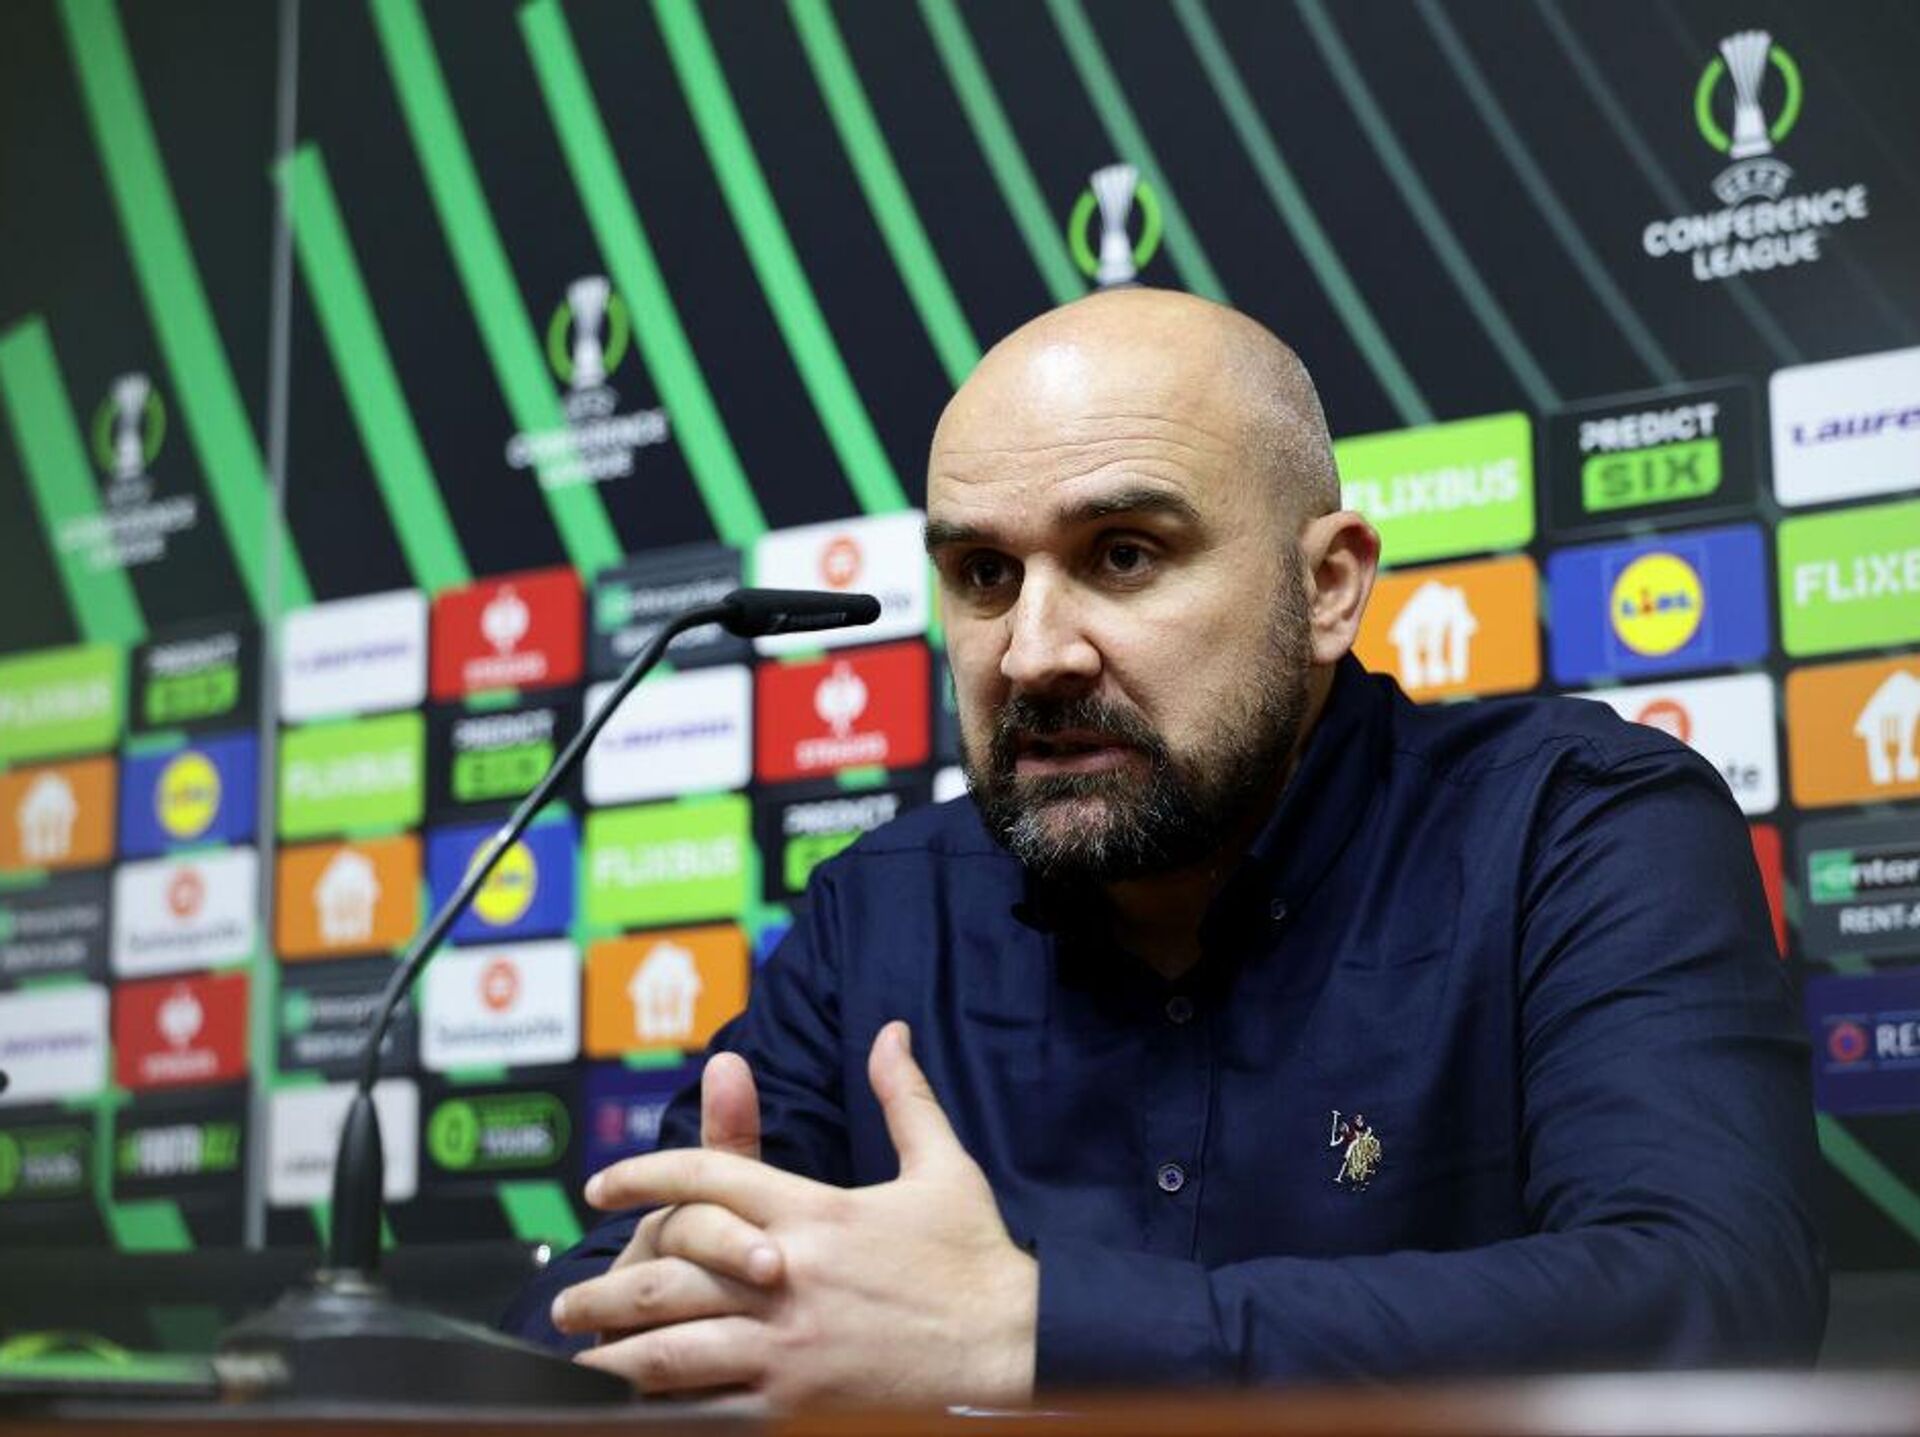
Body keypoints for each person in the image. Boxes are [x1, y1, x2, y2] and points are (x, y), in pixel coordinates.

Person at [504, 288, 1824, 1401]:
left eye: (1125, 555)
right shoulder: (882, 917)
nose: (1033, 652)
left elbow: (1714, 1294)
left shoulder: (1572, 830)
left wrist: (1031, 1331)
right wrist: (673, 1298)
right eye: (983, 575)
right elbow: (584, 1313)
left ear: (1328, 586)